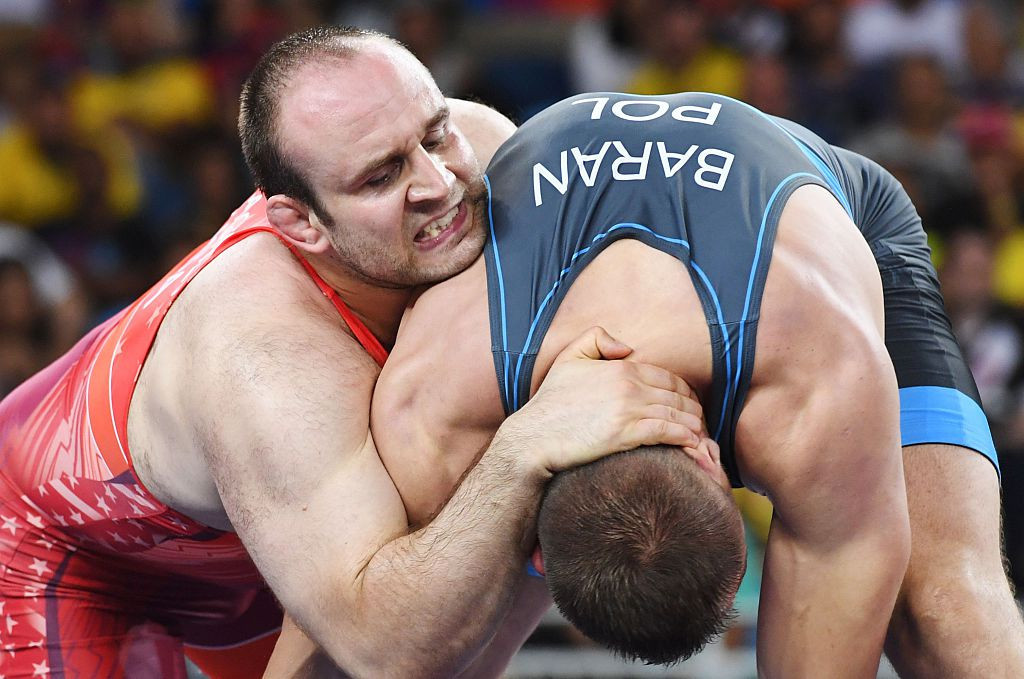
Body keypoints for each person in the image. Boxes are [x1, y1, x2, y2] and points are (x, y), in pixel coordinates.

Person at [0, 28, 703, 678]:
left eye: (434, 134)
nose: (437, 185)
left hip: (273, 531)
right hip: (59, 547)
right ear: (301, 224)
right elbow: (387, 651)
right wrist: (527, 447)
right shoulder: (268, 357)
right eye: (381, 177)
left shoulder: (487, 151)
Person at [358, 91, 1024, 676]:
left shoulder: (822, 383)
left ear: (713, 459)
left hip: (845, 217)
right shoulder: (437, 403)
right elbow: (367, 639)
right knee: (433, 645)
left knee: (943, 609)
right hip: (709, 252)